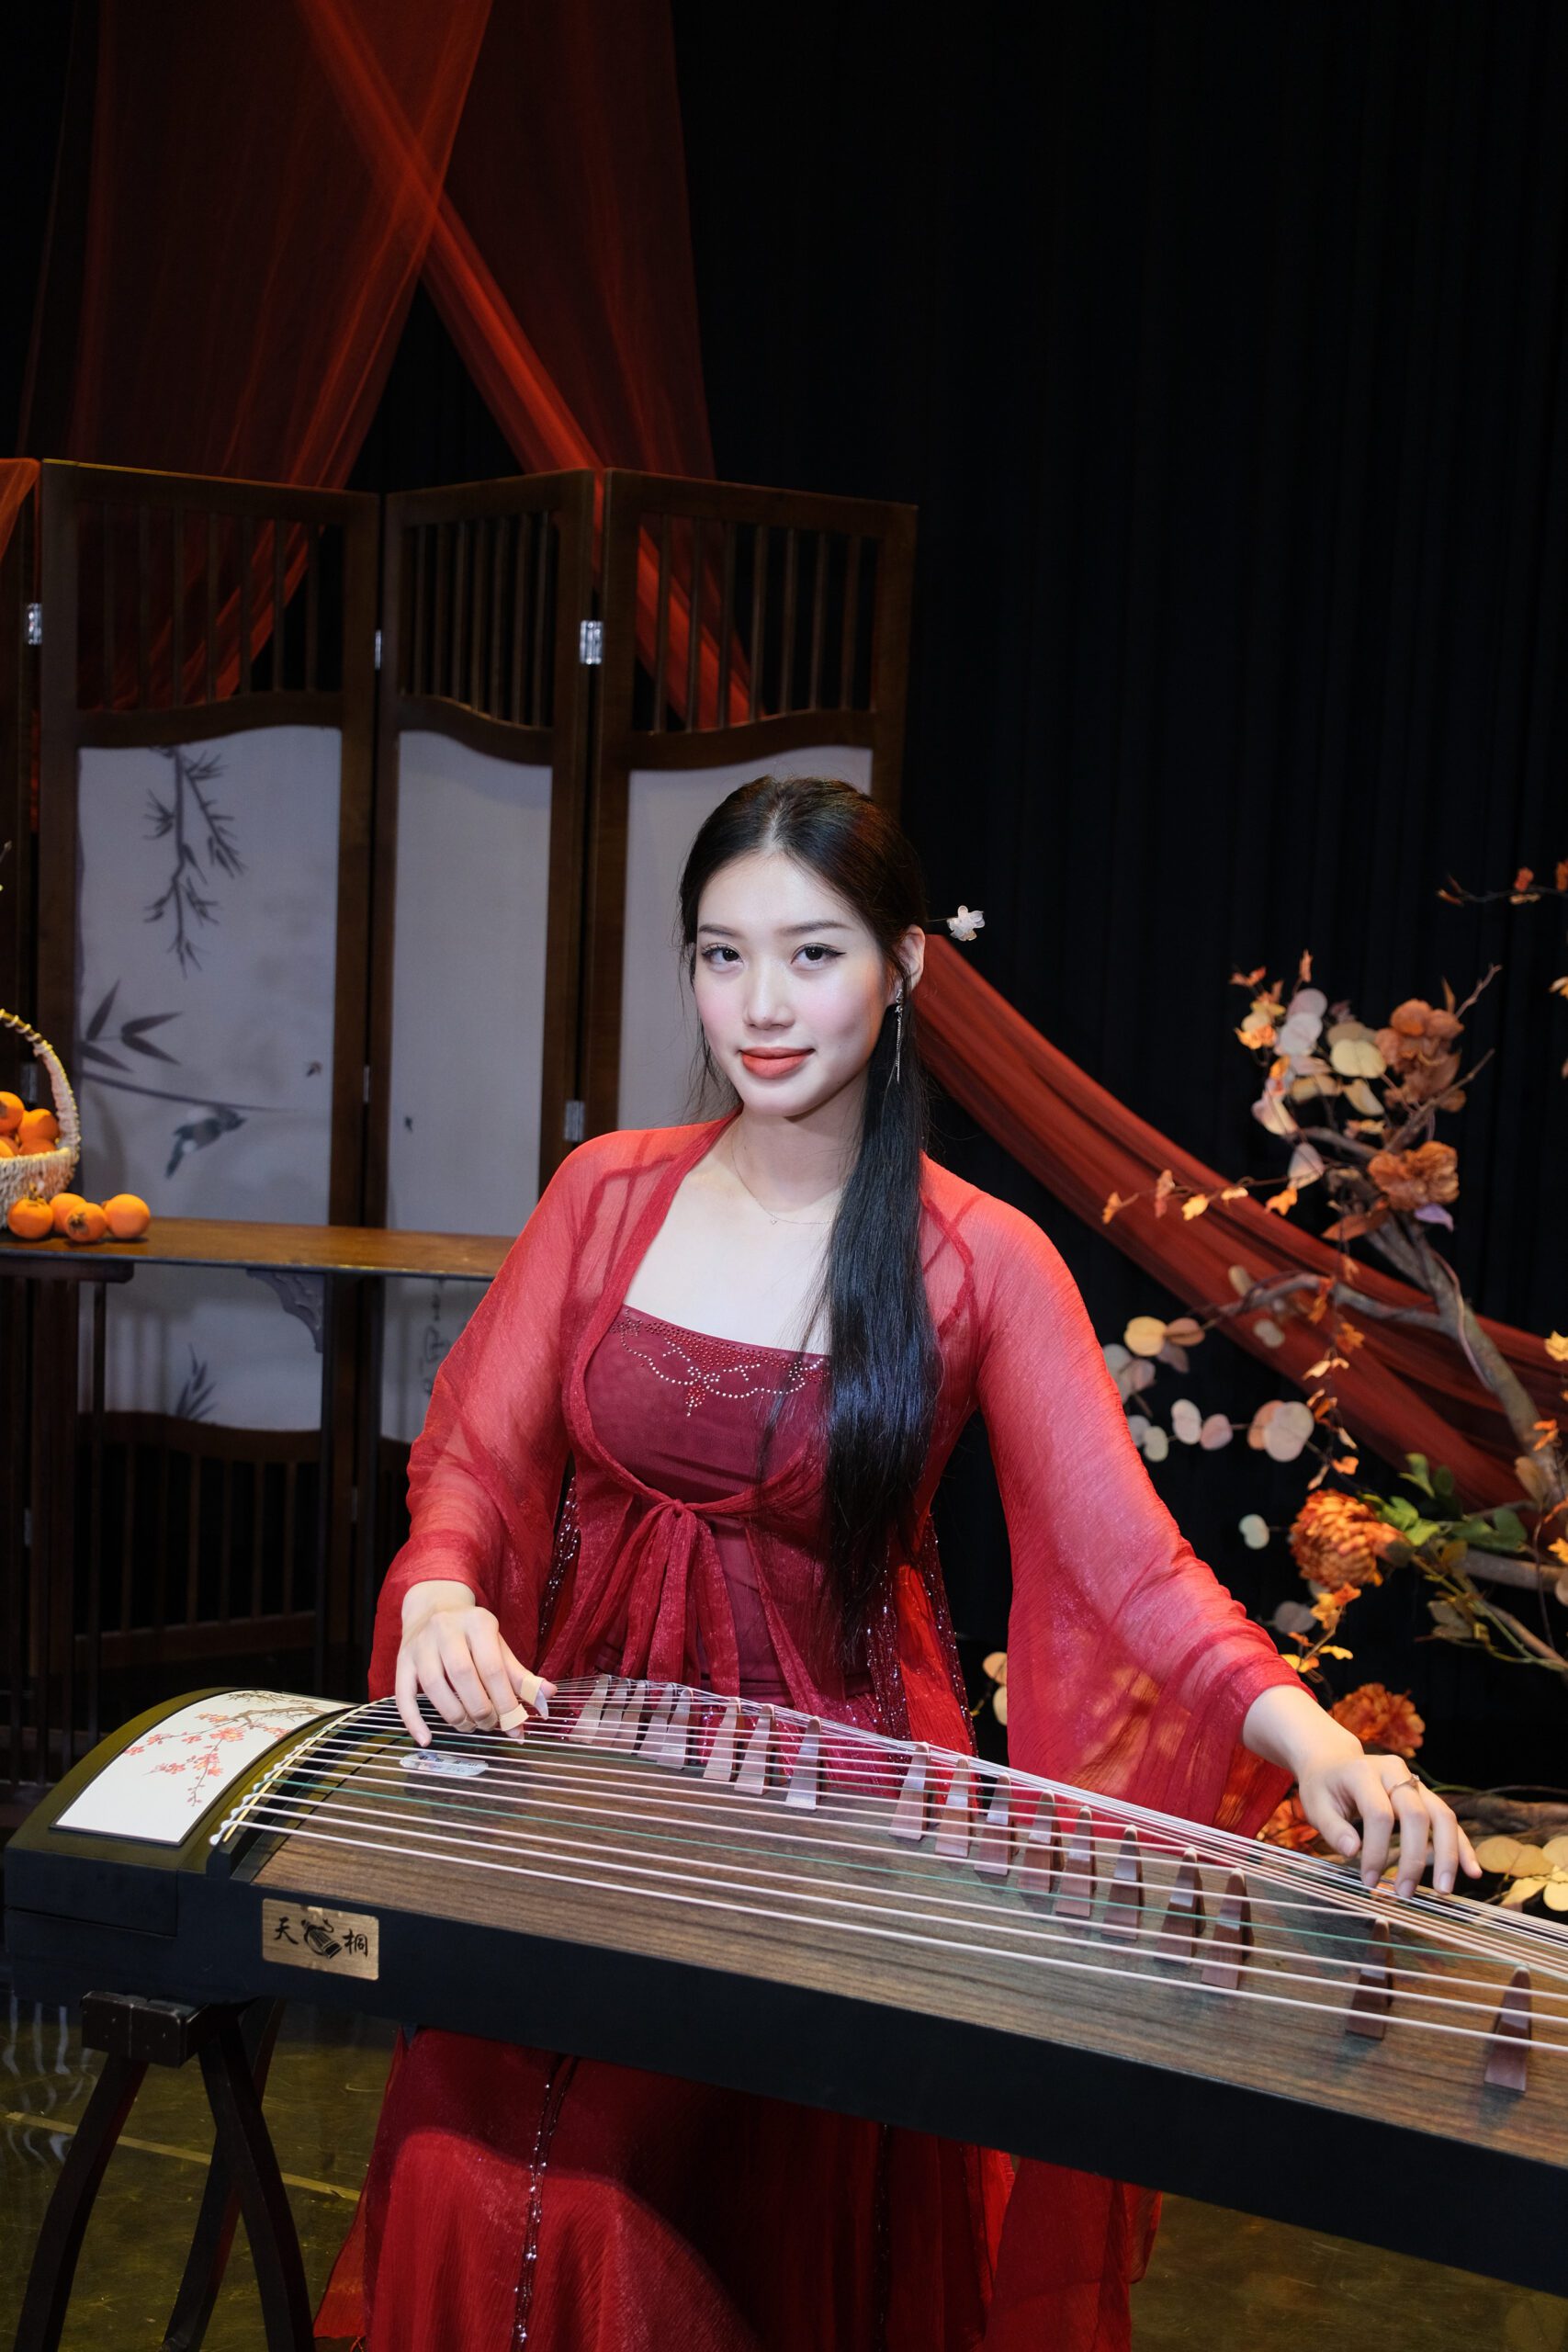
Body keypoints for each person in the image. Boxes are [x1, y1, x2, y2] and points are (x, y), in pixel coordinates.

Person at [318, 775, 1478, 2352]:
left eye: (813, 954)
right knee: (462, 2167)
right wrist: (447, 1586)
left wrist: (1320, 1745)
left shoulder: (978, 1256)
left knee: (586, 2200)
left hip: (831, 1824)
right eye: (722, 954)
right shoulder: (607, 1195)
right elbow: (475, 1456)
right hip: (585, 1790)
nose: (762, 1005)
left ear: (905, 966)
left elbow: (1132, 1572)